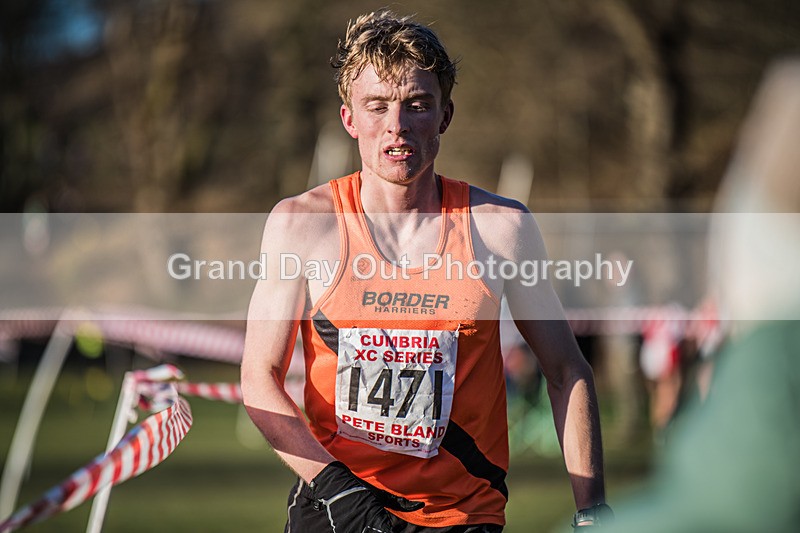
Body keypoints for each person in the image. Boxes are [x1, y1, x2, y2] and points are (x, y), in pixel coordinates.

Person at [241, 10, 609, 532]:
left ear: (444, 115)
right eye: (378, 106)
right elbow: (259, 379)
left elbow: (566, 371)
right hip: (334, 507)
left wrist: (593, 512)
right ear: (349, 118)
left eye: (417, 104)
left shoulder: (501, 229)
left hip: (462, 516)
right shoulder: (301, 225)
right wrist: (339, 493)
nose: (397, 125)